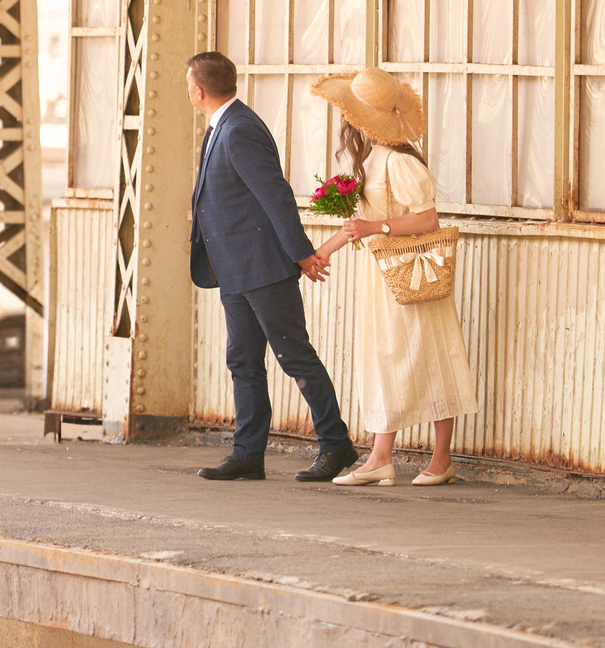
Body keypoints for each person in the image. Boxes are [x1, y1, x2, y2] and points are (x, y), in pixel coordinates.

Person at [185, 51, 357, 483]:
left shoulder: (239, 128)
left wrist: (301, 254)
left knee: (294, 355)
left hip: (262, 267)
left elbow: (274, 194)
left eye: (188, 83)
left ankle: (336, 445)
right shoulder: (223, 125)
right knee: (242, 360)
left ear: (198, 90)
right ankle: (248, 454)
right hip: (234, 267)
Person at [303, 69, 481, 487]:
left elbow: (427, 218)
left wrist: (378, 229)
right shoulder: (372, 159)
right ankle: (381, 456)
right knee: (386, 357)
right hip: (382, 277)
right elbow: (358, 224)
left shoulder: (399, 161)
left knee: (433, 355)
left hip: (411, 273)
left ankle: (440, 459)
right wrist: (319, 254)